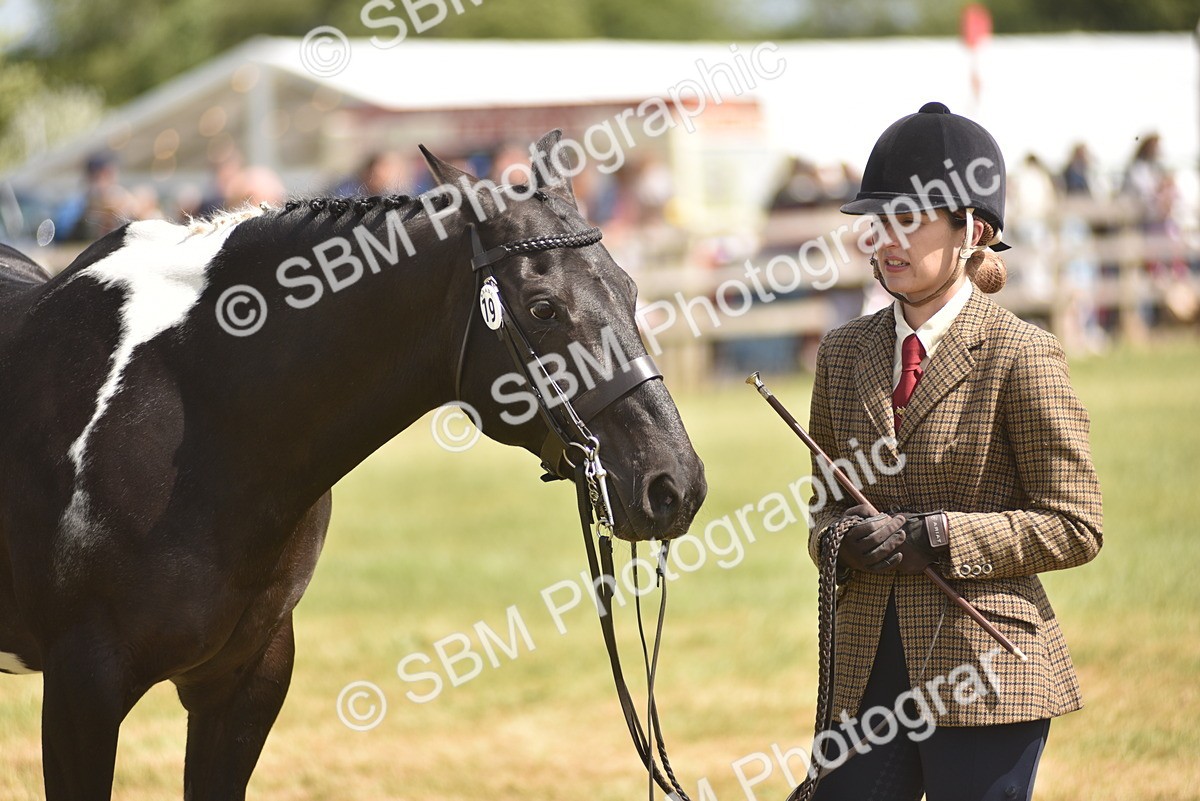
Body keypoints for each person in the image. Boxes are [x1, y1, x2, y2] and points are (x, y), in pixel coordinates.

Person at [805, 102, 1103, 801]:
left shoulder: (1022, 353)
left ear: (975, 230)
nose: (888, 240)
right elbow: (822, 513)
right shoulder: (842, 354)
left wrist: (936, 536)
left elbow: (1075, 523)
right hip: (863, 669)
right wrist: (844, 540)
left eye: (911, 219)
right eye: (879, 221)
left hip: (987, 667)